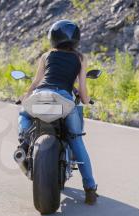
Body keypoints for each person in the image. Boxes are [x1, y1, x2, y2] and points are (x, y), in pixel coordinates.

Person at [17, 20, 98, 205]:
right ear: (76, 39)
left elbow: (37, 82)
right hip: (63, 99)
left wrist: (25, 96)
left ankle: (24, 143)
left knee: (24, 114)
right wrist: (85, 99)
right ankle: (90, 189)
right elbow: (82, 88)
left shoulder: (47, 55)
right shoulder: (80, 58)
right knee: (76, 139)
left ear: (53, 39)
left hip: (41, 95)